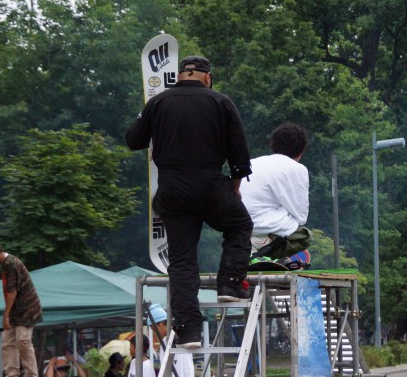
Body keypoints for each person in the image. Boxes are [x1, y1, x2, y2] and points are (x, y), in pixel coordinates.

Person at [126, 55, 254, 348]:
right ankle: (230, 284)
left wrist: (148, 116)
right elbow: (239, 153)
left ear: (180, 76)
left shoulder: (158, 103)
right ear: (207, 77)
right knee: (239, 225)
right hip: (210, 185)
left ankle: (188, 330)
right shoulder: (221, 101)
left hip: (172, 190)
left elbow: (133, 140)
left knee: (182, 260)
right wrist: (234, 188)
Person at [240, 122, 312, 261]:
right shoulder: (297, 169)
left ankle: (251, 247)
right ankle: (261, 250)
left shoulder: (252, 162)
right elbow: (301, 216)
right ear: (301, 151)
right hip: (258, 228)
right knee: (304, 235)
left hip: (235, 228)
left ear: (273, 146)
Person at [0, 241, 42, 377]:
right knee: (7, 343)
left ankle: (31, 374)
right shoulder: (5, 265)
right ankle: (12, 374)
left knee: (23, 341)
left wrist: (5, 316)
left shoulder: (11, 263)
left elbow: (12, 292)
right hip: (16, 311)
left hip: (27, 310)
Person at [146, 303, 194, 376]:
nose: (153, 333)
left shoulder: (180, 338)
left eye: (154, 329)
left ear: (161, 323)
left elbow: (186, 369)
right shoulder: (164, 343)